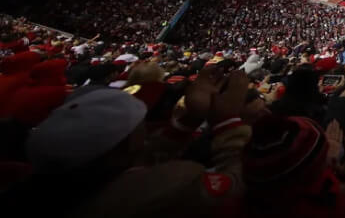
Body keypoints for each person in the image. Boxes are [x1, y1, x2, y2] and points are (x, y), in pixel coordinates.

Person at [6, 67, 252, 218]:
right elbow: (242, 182)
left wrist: (190, 118)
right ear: (122, 146)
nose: (146, 132)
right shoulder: (174, 187)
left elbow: (144, 157)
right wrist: (227, 120)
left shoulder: (46, 188)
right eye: (139, 125)